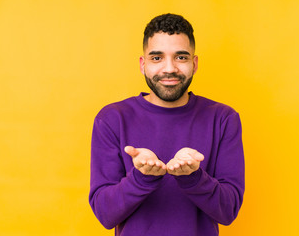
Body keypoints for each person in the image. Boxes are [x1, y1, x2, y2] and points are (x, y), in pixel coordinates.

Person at [89, 13, 245, 236]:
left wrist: (194, 177)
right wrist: (141, 177)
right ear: (143, 65)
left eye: (181, 57)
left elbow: (228, 211)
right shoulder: (112, 119)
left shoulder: (223, 119)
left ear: (195, 62)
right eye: (157, 58)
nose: (169, 68)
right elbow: (105, 214)